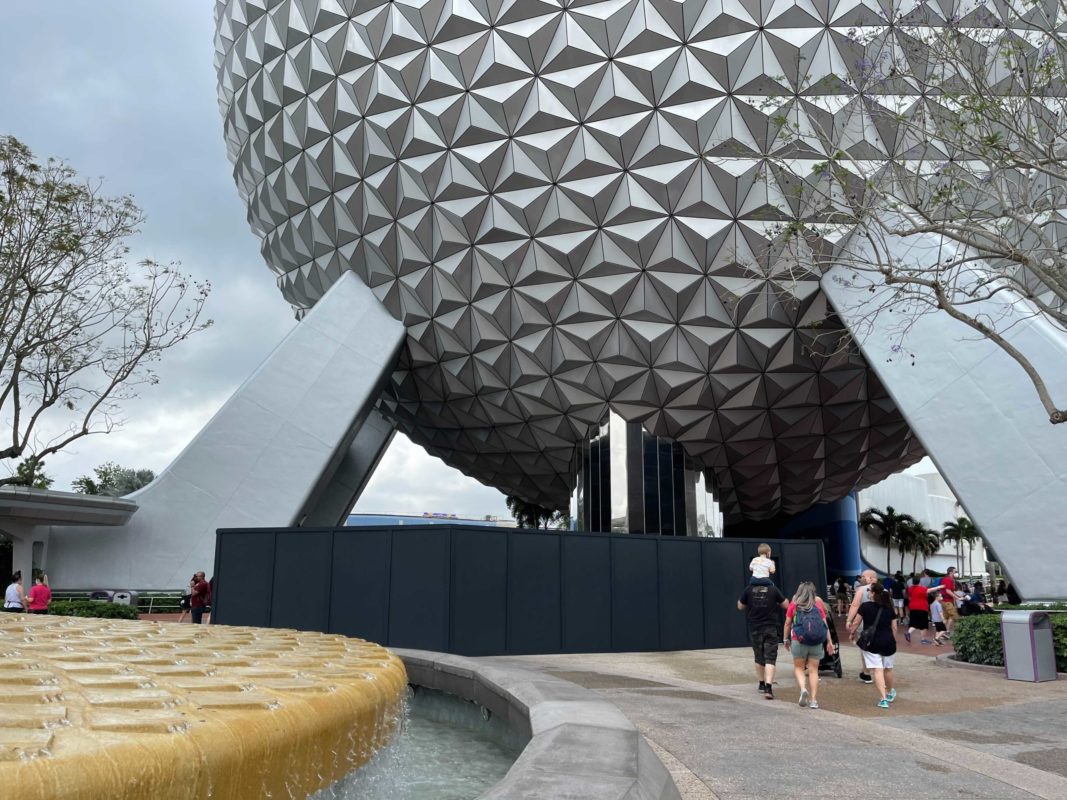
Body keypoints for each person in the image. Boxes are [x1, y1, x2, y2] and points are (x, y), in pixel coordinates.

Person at [783, 582, 835, 709]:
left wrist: (785, 639)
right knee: (813, 671)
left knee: (799, 668)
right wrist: (830, 642)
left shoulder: (794, 605)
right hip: (816, 641)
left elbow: (787, 624)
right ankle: (813, 700)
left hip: (798, 640)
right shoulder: (818, 605)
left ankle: (802, 689)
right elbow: (825, 625)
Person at [738, 578, 788, 699]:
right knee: (770, 657)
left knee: (758, 655)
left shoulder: (748, 589)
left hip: (755, 627)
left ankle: (761, 684)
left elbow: (740, 606)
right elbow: (786, 605)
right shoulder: (773, 589)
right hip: (771, 627)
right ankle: (769, 688)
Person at [849, 582, 897, 708]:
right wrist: (892, 639)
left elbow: (856, 622)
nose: (868, 592)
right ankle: (890, 692)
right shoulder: (889, 608)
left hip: (872, 642)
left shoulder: (865, 607)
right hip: (888, 642)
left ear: (873, 593)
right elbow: (895, 627)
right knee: (888, 668)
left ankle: (883, 699)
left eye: (869, 590)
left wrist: (852, 633)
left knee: (877, 670)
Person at [846, 569, 877, 683]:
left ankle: (866, 672)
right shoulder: (884, 590)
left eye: (863, 576)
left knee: (865, 648)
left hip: (865, 625)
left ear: (871, 578)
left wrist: (849, 620)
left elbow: (855, 605)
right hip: (882, 625)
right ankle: (879, 671)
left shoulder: (861, 589)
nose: (861, 578)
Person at [905, 575, 939, 644]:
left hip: (912, 607)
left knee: (914, 623)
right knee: (924, 625)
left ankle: (908, 632)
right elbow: (930, 590)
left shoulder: (910, 589)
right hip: (922, 608)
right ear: (919, 581)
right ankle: (923, 640)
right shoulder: (921, 588)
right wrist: (939, 587)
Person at [937, 567, 960, 634]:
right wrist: (957, 597)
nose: (955, 573)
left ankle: (942, 632)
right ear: (951, 572)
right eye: (955, 572)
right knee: (953, 615)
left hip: (945, 601)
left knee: (946, 617)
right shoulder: (948, 580)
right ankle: (945, 631)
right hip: (947, 601)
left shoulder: (948, 579)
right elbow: (948, 591)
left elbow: (951, 591)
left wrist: (958, 596)